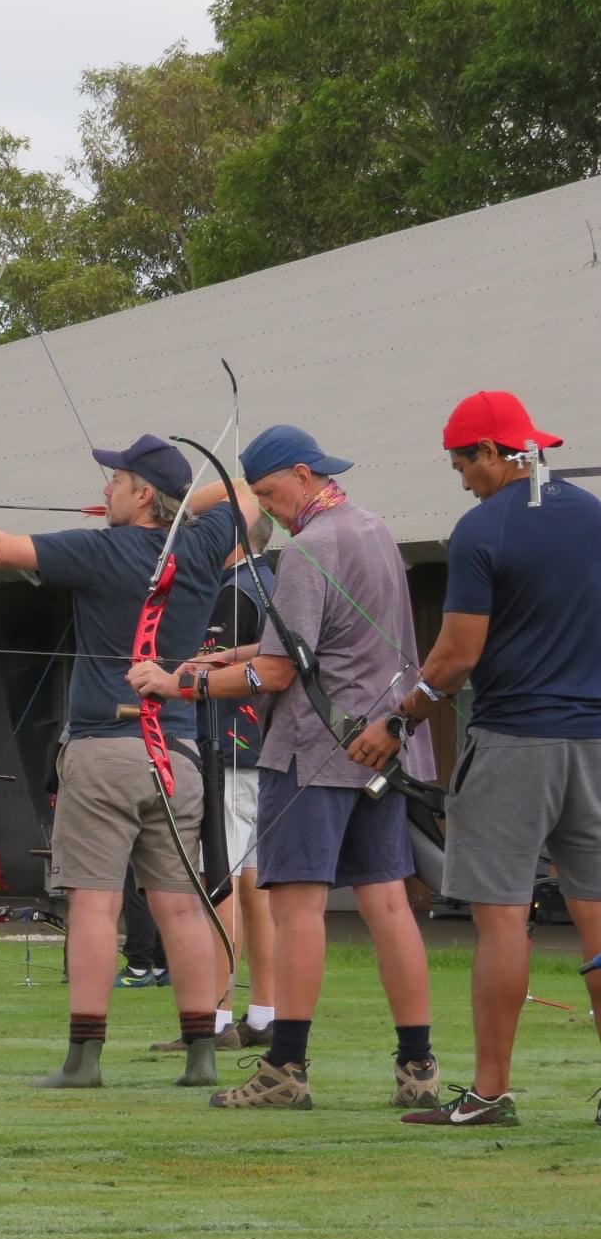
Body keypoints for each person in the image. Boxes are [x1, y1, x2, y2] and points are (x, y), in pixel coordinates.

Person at [0, 434, 244, 1088]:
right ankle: (202, 1055)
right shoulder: (204, 545)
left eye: (115, 481)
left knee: (94, 906)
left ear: (143, 493)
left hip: (103, 749)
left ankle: (83, 1060)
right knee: (180, 906)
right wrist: (177, 513)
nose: (104, 490)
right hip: (175, 753)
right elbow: (247, 497)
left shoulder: (98, 550)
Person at [131, 423, 439, 1111]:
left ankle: (285, 1069)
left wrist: (179, 682)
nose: (268, 508)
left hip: (310, 752)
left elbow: (275, 673)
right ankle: (418, 1067)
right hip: (380, 748)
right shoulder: (374, 530)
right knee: (389, 905)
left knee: (297, 909)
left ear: (304, 474)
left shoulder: (308, 550)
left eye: (270, 493)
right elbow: (320, 645)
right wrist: (226, 656)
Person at [348, 392, 601, 1127]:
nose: (462, 478)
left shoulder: (481, 529)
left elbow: (456, 657)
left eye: (463, 462)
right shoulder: (593, 515)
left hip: (517, 744)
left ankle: (491, 1093)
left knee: (501, 923)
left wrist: (397, 720)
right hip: (595, 745)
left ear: (493, 452)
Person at [148, 512, 279, 1051]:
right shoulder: (269, 582)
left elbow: (208, 667)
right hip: (255, 750)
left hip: (229, 747)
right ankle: (265, 1014)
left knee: (218, 877)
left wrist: (163, 674)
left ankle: (218, 1017)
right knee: (250, 879)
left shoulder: (235, 592)